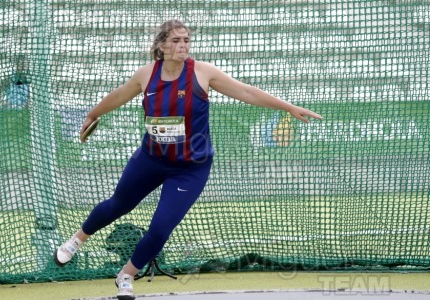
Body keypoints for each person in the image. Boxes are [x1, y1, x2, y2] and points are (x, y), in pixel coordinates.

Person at [53, 19, 323, 300]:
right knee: (118, 204)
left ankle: (126, 275)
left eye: (186, 41)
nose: (183, 45)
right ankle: (76, 240)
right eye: (176, 41)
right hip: (151, 159)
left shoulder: (202, 73)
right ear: (161, 46)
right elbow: (119, 95)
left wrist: (288, 107)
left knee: (160, 229)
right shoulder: (147, 75)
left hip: (190, 169)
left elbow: (246, 91)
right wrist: (93, 114)